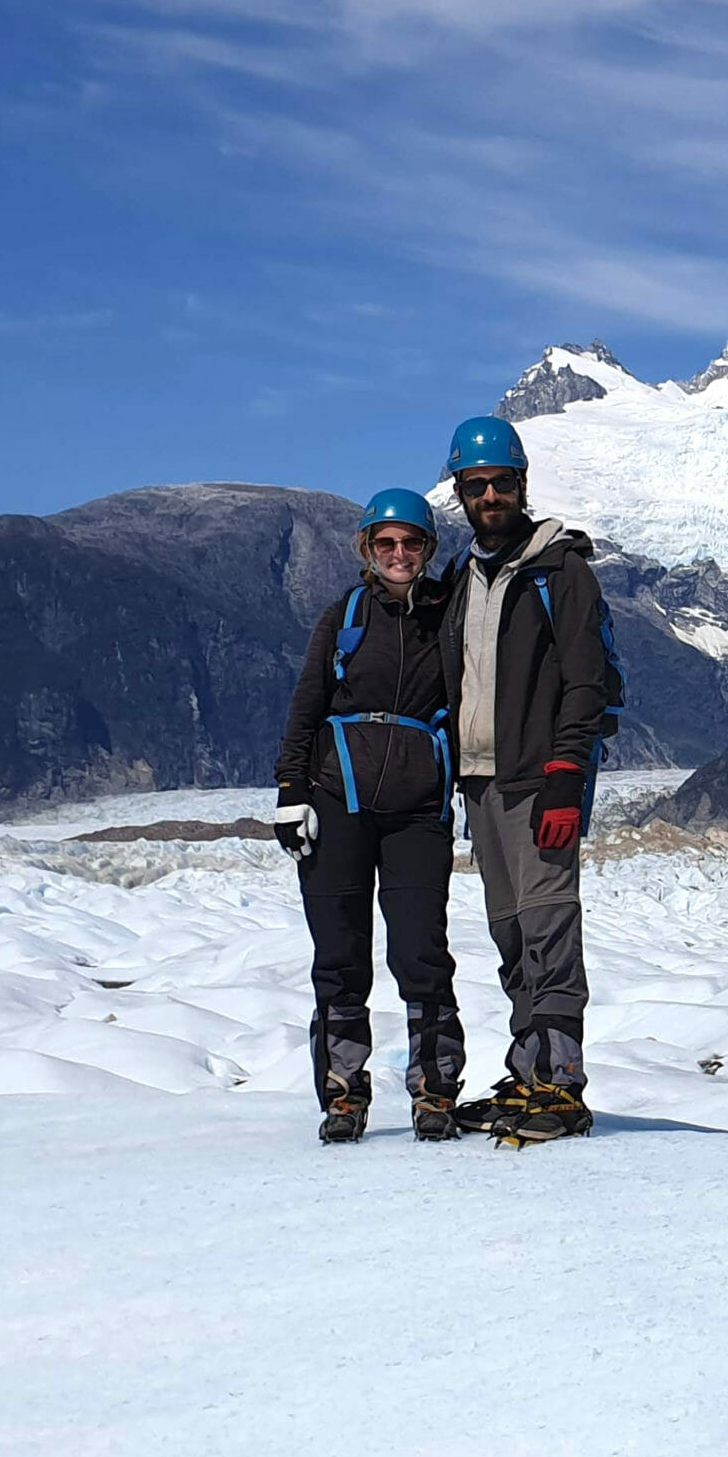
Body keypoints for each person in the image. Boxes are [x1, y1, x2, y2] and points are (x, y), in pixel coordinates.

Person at [437, 416, 626, 1147]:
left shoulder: (562, 570)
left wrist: (565, 771)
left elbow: (585, 680)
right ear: (460, 492)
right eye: (476, 485)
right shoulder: (464, 576)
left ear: (521, 485)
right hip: (481, 783)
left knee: (549, 927)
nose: (490, 495)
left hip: (539, 778)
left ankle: (562, 1083)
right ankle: (529, 1071)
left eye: (501, 483)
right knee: (512, 934)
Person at [274, 489, 465, 1144]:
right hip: (336, 799)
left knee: (422, 954)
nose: (399, 554)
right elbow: (306, 705)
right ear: (367, 549)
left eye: (411, 543)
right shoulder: (344, 617)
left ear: (429, 549)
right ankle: (344, 1097)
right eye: (386, 543)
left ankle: (435, 1093)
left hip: (418, 811)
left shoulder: (449, 616)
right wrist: (290, 790)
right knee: (340, 956)